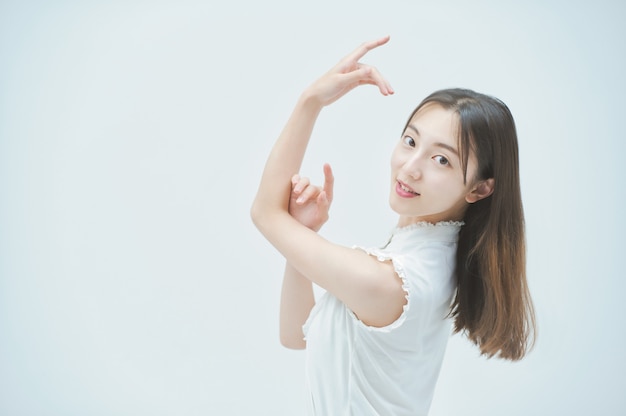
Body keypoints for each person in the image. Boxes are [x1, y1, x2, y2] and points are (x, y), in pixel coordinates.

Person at [250, 36, 535, 416]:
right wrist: (305, 234)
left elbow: (264, 213)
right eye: (410, 140)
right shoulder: (427, 261)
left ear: (480, 188)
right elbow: (297, 334)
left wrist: (310, 102)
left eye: (441, 160)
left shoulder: (394, 281)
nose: (410, 167)